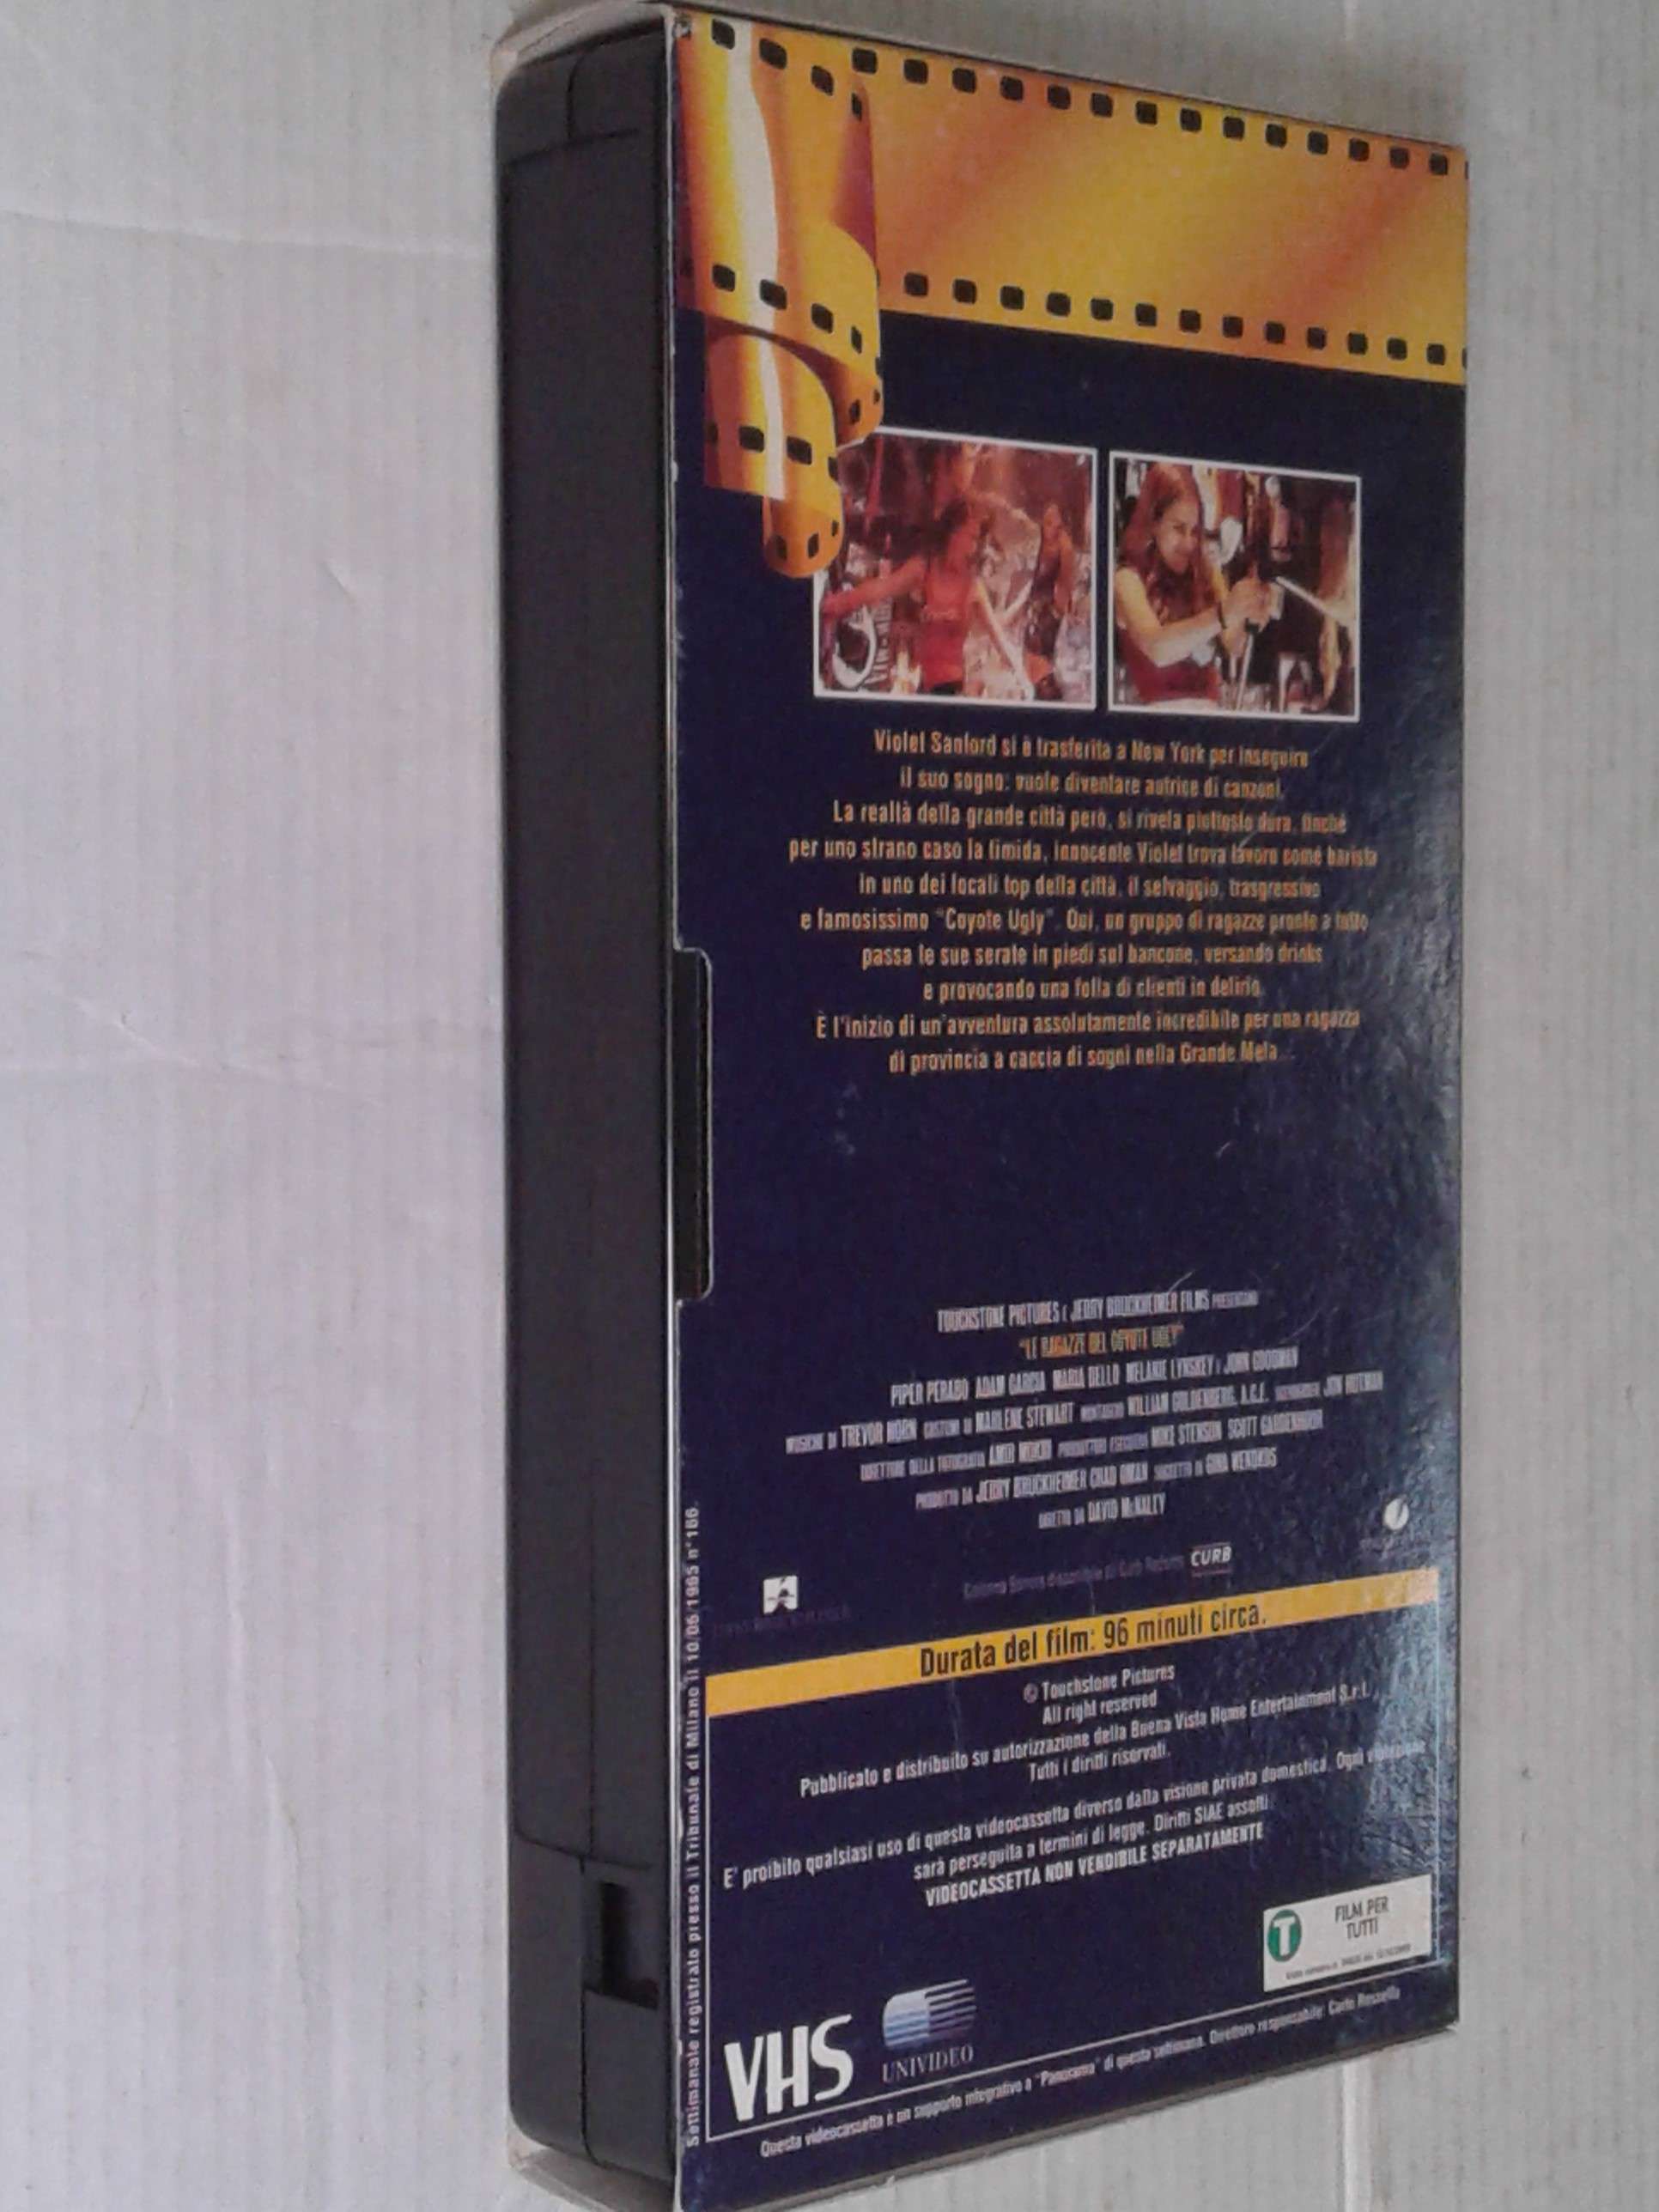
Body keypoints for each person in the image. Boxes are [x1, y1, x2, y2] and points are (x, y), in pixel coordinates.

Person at [821, 500, 1029, 698]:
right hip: (926, 686)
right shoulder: (925, 569)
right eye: (970, 537)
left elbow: (1000, 639)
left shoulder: (973, 587)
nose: (973, 547)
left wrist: (1023, 680)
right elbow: (882, 588)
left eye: (977, 539)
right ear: (953, 533)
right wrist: (840, 603)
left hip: (952, 690)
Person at [1113, 462, 1276, 707]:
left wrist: (1251, 612)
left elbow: (1233, 644)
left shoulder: (1206, 572)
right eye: (1179, 529)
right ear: (1153, 523)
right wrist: (1223, 614)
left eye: (1195, 531)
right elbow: (1158, 649)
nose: (1189, 543)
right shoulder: (1127, 580)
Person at [1007, 501, 1078, 702]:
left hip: (1047, 615)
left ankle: (1047, 697)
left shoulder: (1065, 548)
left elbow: (1064, 589)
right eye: (1048, 521)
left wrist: (1054, 615)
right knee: (1027, 665)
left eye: (1056, 523)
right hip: (1032, 610)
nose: (1051, 527)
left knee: (1038, 663)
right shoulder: (1035, 541)